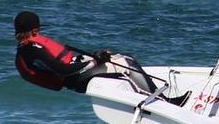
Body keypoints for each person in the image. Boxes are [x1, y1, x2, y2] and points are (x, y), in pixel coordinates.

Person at [13, 10, 159, 96]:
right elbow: (62, 70)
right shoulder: (32, 50)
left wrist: (96, 56)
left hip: (77, 73)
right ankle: (160, 100)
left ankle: (149, 95)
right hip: (76, 80)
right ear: (34, 31)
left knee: (120, 57)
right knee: (127, 62)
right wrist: (95, 62)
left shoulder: (26, 49)